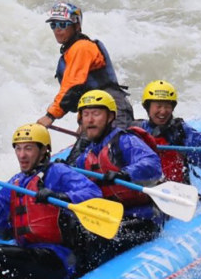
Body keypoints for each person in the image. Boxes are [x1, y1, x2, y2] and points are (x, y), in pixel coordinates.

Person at [0, 123, 103, 279]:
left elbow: (94, 194)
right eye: (18, 148)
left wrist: (61, 196)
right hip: (30, 253)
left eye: (28, 148)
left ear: (44, 150)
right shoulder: (16, 182)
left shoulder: (58, 172)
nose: (22, 155)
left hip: (58, 258)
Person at [66, 90, 164, 266]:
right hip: (109, 217)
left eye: (96, 114)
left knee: (93, 242)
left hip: (143, 217)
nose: (90, 120)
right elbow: (75, 183)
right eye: (86, 114)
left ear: (110, 117)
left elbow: (152, 164)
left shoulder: (125, 141)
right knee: (74, 234)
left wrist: (125, 173)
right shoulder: (87, 154)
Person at [35, 1, 134, 131]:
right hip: (95, 110)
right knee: (83, 150)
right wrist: (81, 120)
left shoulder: (82, 48)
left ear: (76, 26)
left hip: (113, 110)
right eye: (53, 25)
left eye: (63, 24)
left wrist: (50, 116)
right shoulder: (72, 50)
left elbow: (73, 86)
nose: (57, 30)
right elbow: (80, 93)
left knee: (115, 147)